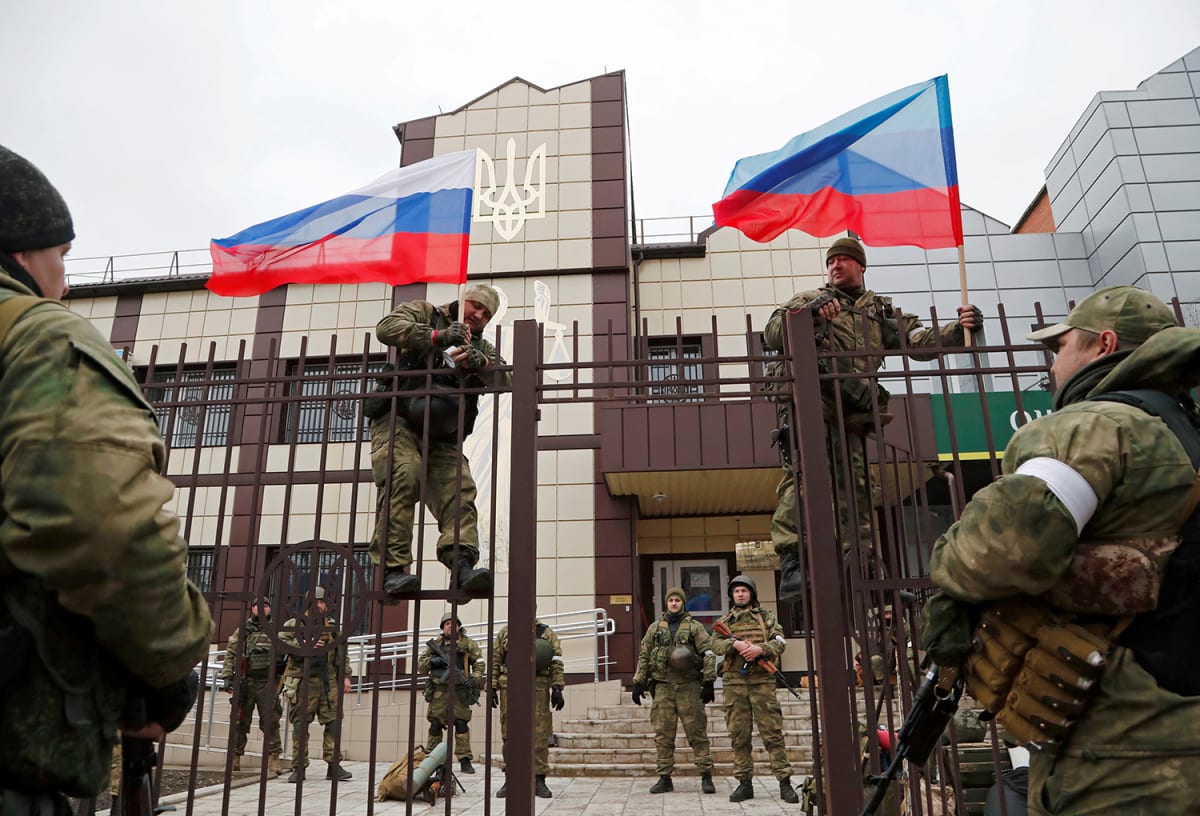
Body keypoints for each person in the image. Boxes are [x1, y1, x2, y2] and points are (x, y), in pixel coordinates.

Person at [923, 285, 1200, 813]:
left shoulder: (1095, 426)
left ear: (1104, 345)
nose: (1053, 366)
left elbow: (999, 552)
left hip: (1125, 757)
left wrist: (947, 558)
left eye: (1061, 348)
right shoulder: (1187, 429)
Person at [0, 145, 213, 810]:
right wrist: (167, 668)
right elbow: (103, 522)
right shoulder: (36, 334)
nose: (64, 280)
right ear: (21, 251)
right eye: (60, 256)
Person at [764, 236, 981, 600]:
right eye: (831, 261)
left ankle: (864, 573)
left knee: (857, 486)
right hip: (808, 403)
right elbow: (773, 333)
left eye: (844, 260)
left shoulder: (878, 312)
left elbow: (918, 341)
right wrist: (811, 316)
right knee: (804, 477)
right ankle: (793, 563)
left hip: (852, 409)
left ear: (860, 266)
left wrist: (960, 329)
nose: (836, 266)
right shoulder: (809, 300)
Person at [366, 284, 508, 601]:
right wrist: (437, 338)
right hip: (399, 419)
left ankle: (462, 567)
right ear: (463, 299)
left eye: (486, 313)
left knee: (460, 489)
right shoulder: (426, 313)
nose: (479, 314)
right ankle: (394, 571)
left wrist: (480, 364)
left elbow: (507, 379)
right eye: (475, 305)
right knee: (405, 472)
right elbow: (386, 328)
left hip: (444, 434)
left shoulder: (483, 346)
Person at [710, 575, 800, 804]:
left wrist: (760, 649)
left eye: (744, 590)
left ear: (752, 594)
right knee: (739, 735)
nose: (740, 594)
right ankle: (744, 783)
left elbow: (780, 641)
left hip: (762, 683)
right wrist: (735, 644)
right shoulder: (726, 620)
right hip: (734, 684)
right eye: (736, 591)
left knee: (772, 733)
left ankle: (784, 782)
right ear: (732, 595)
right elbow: (714, 645)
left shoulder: (766, 617)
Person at [632, 587, 717, 794]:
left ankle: (706, 776)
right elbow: (645, 655)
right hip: (663, 687)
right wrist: (638, 682)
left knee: (697, 731)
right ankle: (664, 777)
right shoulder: (655, 628)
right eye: (670, 600)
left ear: (683, 603)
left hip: (689, 686)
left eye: (677, 600)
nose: (674, 603)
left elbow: (708, 653)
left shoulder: (695, 627)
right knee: (663, 734)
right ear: (666, 603)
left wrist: (709, 681)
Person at [280, 586, 353, 782]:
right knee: (300, 725)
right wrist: (305, 645)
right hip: (303, 680)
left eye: (322, 602)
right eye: (316, 602)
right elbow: (280, 642)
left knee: (333, 723)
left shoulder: (331, 626)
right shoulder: (294, 624)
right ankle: (299, 767)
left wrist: (345, 676)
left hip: (327, 680)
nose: (319, 606)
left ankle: (333, 765)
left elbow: (341, 653)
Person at [491, 619, 565, 798]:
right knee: (510, 735)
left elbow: (555, 660)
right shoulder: (506, 632)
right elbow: (495, 658)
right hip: (510, 686)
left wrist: (557, 687)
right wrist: (492, 687)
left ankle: (539, 780)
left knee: (539, 735)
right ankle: (511, 779)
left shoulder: (545, 632)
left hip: (538, 686)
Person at [218, 597, 284, 775]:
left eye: (266, 606)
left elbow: (287, 653)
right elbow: (232, 653)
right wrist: (227, 677)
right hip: (246, 682)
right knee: (239, 722)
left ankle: (274, 758)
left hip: (268, 683)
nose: (262, 609)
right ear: (252, 609)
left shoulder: (277, 630)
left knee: (271, 721)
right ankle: (235, 758)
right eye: (258, 606)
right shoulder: (244, 630)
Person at [418, 612, 485, 775]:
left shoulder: (468, 644)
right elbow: (421, 666)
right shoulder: (435, 644)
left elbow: (480, 664)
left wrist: (474, 679)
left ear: (458, 626)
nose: (450, 626)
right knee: (435, 724)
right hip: (439, 691)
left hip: (459, 691)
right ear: (442, 627)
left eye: (454, 623)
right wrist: (432, 661)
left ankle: (465, 760)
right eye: (447, 623)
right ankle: (433, 759)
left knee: (461, 724)